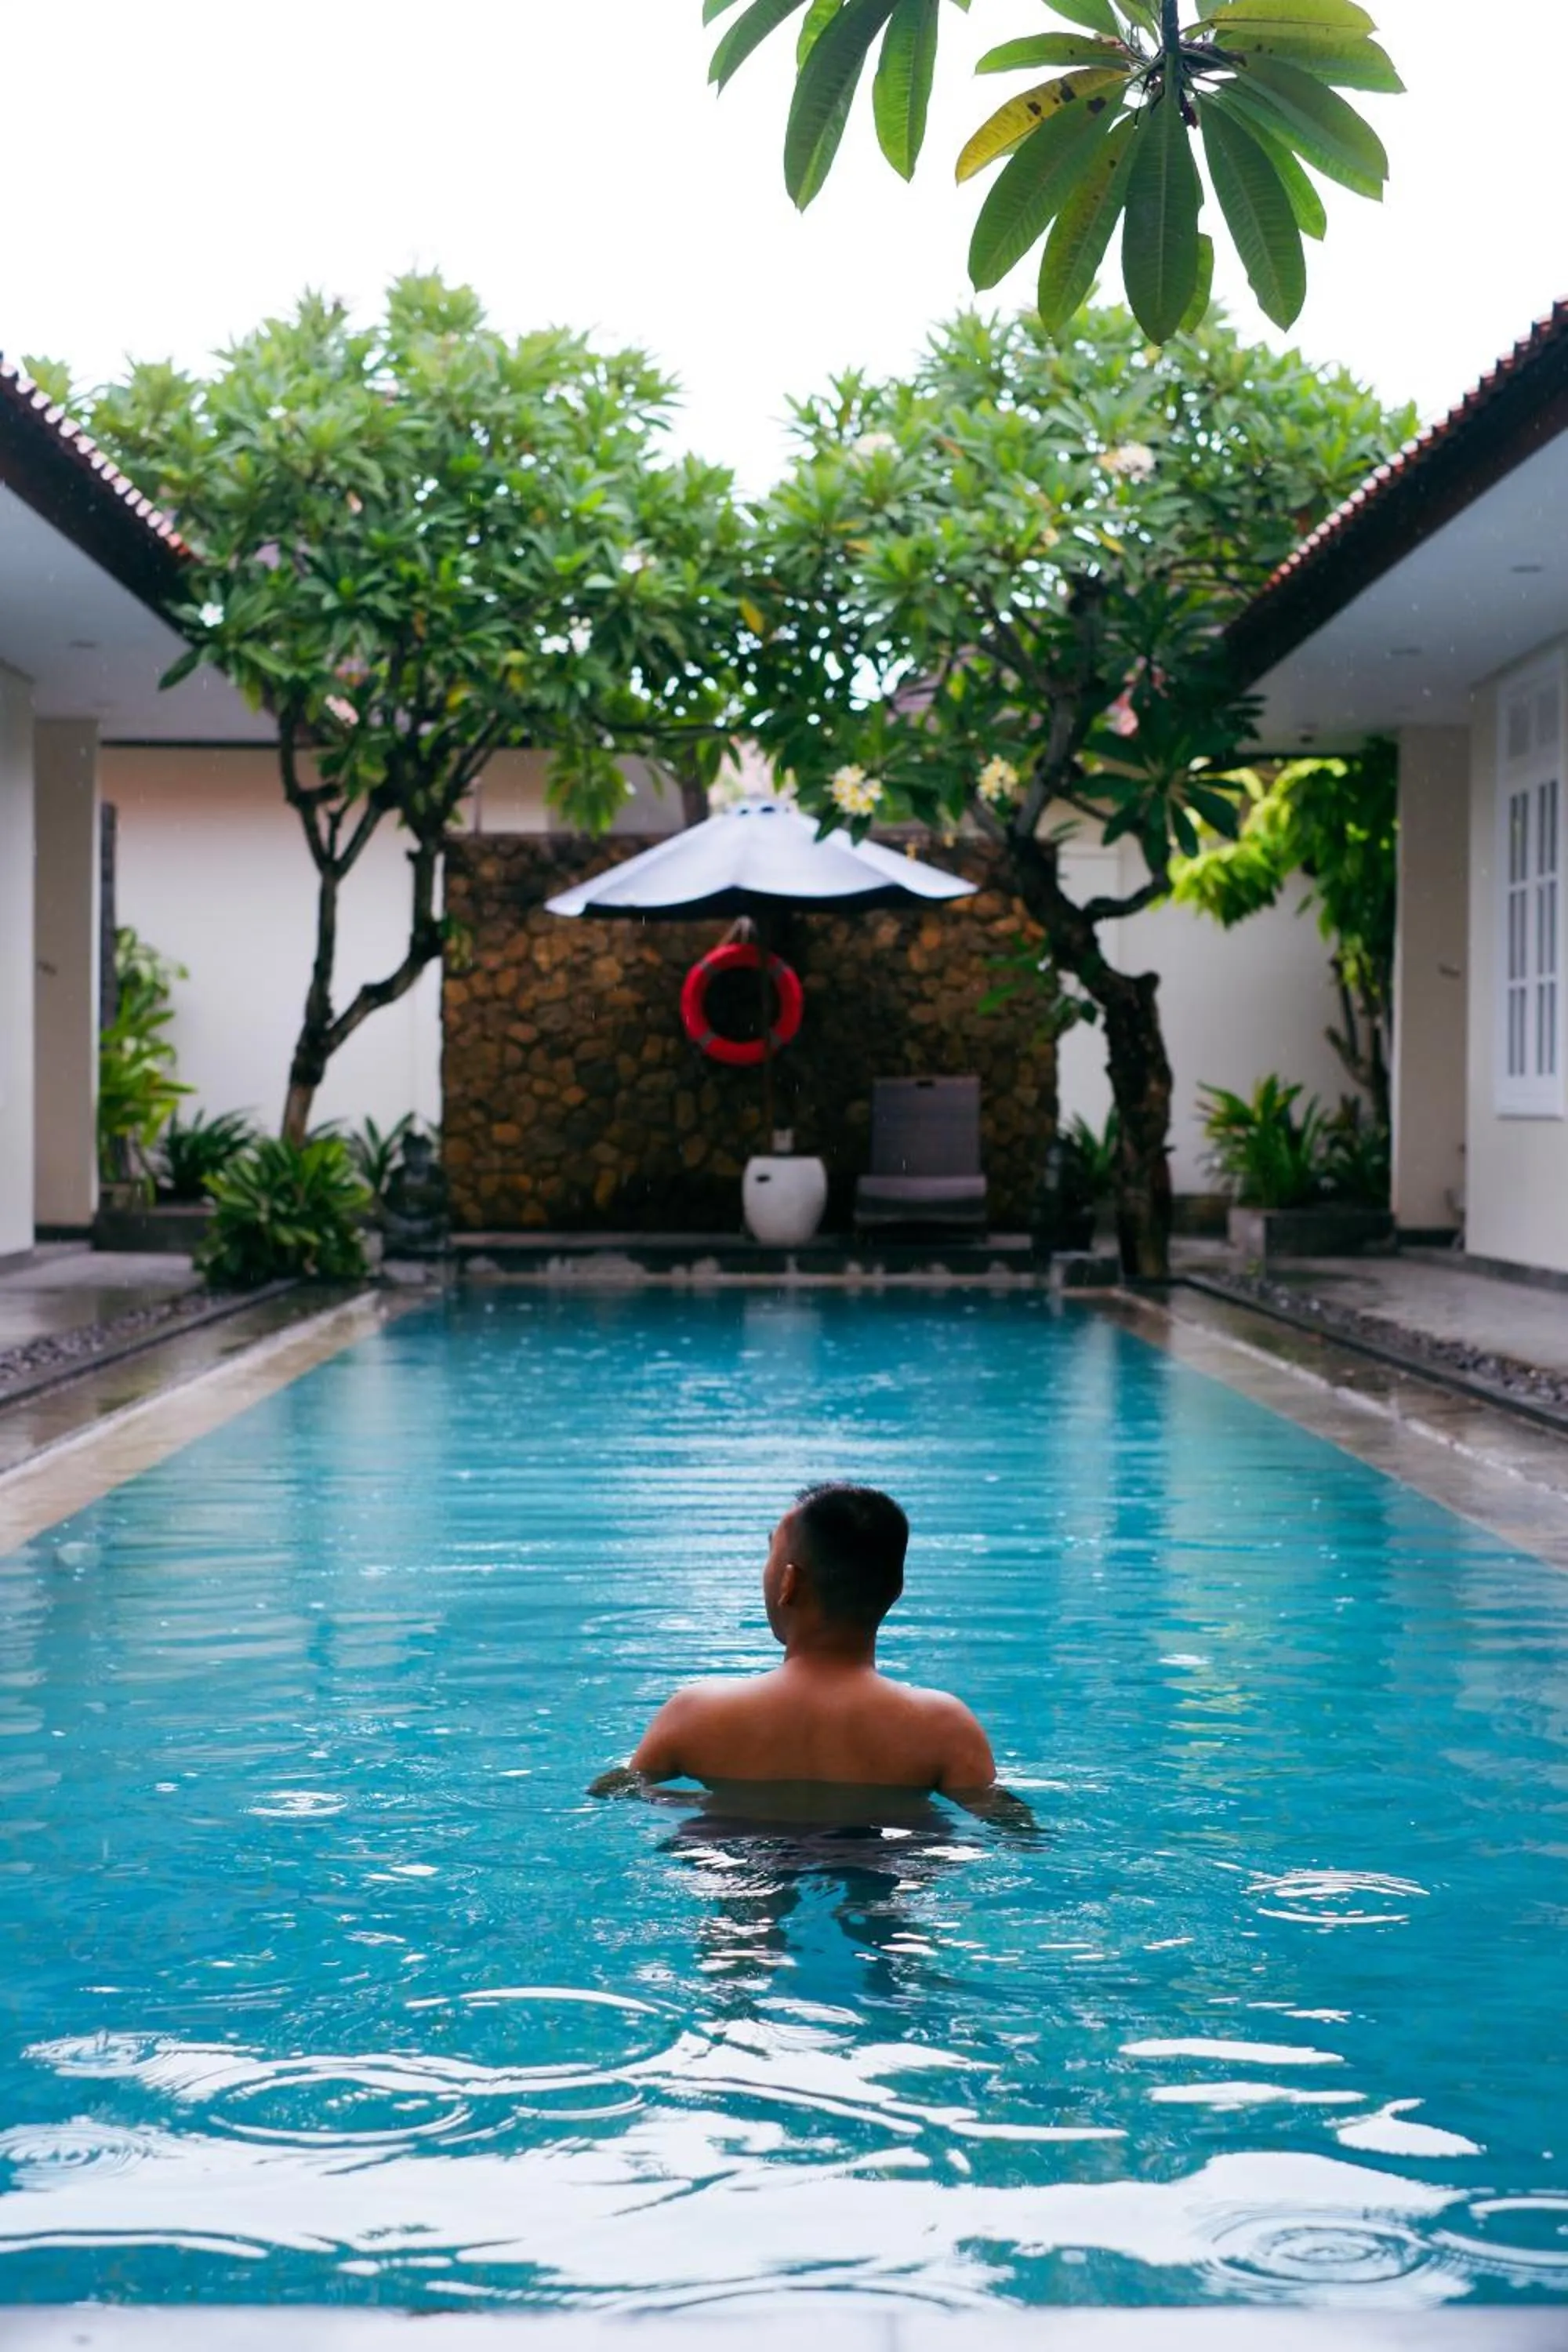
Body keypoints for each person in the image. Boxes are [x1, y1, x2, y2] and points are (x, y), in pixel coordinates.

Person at [601, 1483, 997, 1798]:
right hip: (882, 1859)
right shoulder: (944, 1727)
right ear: (896, 1589)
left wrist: (700, 1807)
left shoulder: (698, 1714)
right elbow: (1010, 1828)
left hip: (740, 1856)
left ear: (788, 1582)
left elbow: (613, 1794)